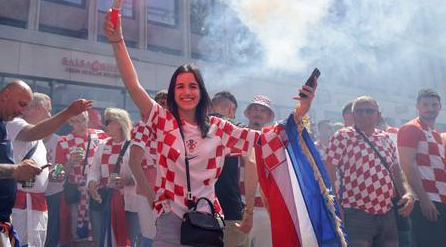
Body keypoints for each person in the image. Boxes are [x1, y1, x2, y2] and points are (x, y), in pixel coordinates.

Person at [103, 13, 315, 246]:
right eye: (180, 86)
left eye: (192, 86)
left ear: (201, 92)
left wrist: (302, 109)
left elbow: (267, 138)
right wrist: (118, 41)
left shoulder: (219, 128)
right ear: (173, 93)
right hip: (169, 219)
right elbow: (133, 86)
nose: (186, 91)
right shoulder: (162, 121)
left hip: (206, 221)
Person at [0, 80, 92, 246]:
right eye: (21, 104)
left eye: (26, 106)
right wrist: (15, 170)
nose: (22, 111)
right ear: (6, 94)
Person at [325, 95, 414, 247]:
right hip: (356, 214)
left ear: (378, 115)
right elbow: (328, 173)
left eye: (369, 111)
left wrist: (407, 193)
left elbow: (396, 171)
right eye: (359, 111)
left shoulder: (385, 138)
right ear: (352, 115)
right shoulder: (342, 137)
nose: (364, 115)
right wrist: (336, 208)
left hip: (387, 213)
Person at [397, 89, 446, 247]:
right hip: (426, 201)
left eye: (434, 105)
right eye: (425, 104)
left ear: (440, 107)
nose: (430, 108)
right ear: (417, 106)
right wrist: (424, 199)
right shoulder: (410, 128)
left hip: (442, 200)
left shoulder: (436, 133)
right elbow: (407, 165)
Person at [7, 93, 57, 247]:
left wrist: (50, 175)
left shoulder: (39, 139)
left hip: (37, 205)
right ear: (40, 108)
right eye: (49, 111)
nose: (50, 115)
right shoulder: (15, 123)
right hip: (19, 203)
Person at [56, 111, 108, 245]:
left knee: (98, 236)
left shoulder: (100, 136)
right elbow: (58, 174)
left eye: (83, 120)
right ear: (69, 122)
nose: (81, 124)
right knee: (77, 238)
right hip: (77, 196)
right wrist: (70, 163)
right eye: (75, 121)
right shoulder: (63, 142)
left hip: (97, 192)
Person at [210, 91, 254, 247]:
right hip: (229, 210)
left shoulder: (193, 128)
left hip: (199, 213)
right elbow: (256, 146)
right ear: (231, 110)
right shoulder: (233, 129)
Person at [88, 108, 136, 247]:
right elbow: (94, 169)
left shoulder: (133, 146)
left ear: (120, 124)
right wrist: (91, 183)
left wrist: (127, 180)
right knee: (103, 240)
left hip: (128, 203)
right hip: (104, 200)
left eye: (108, 122)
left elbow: (143, 173)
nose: (104, 125)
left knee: (128, 241)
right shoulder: (102, 145)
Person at [129, 90, 167, 247]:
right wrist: (150, 196)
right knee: (150, 237)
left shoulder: (171, 130)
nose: (165, 107)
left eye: (168, 104)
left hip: (167, 193)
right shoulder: (143, 127)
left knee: (163, 238)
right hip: (150, 192)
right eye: (161, 103)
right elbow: (133, 162)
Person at [242, 95, 275, 247]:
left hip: (265, 210)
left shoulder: (274, 142)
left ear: (268, 117)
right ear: (248, 112)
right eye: (255, 108)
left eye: (263, 110)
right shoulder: (236, 135)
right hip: (239, 208)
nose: (258, 112)